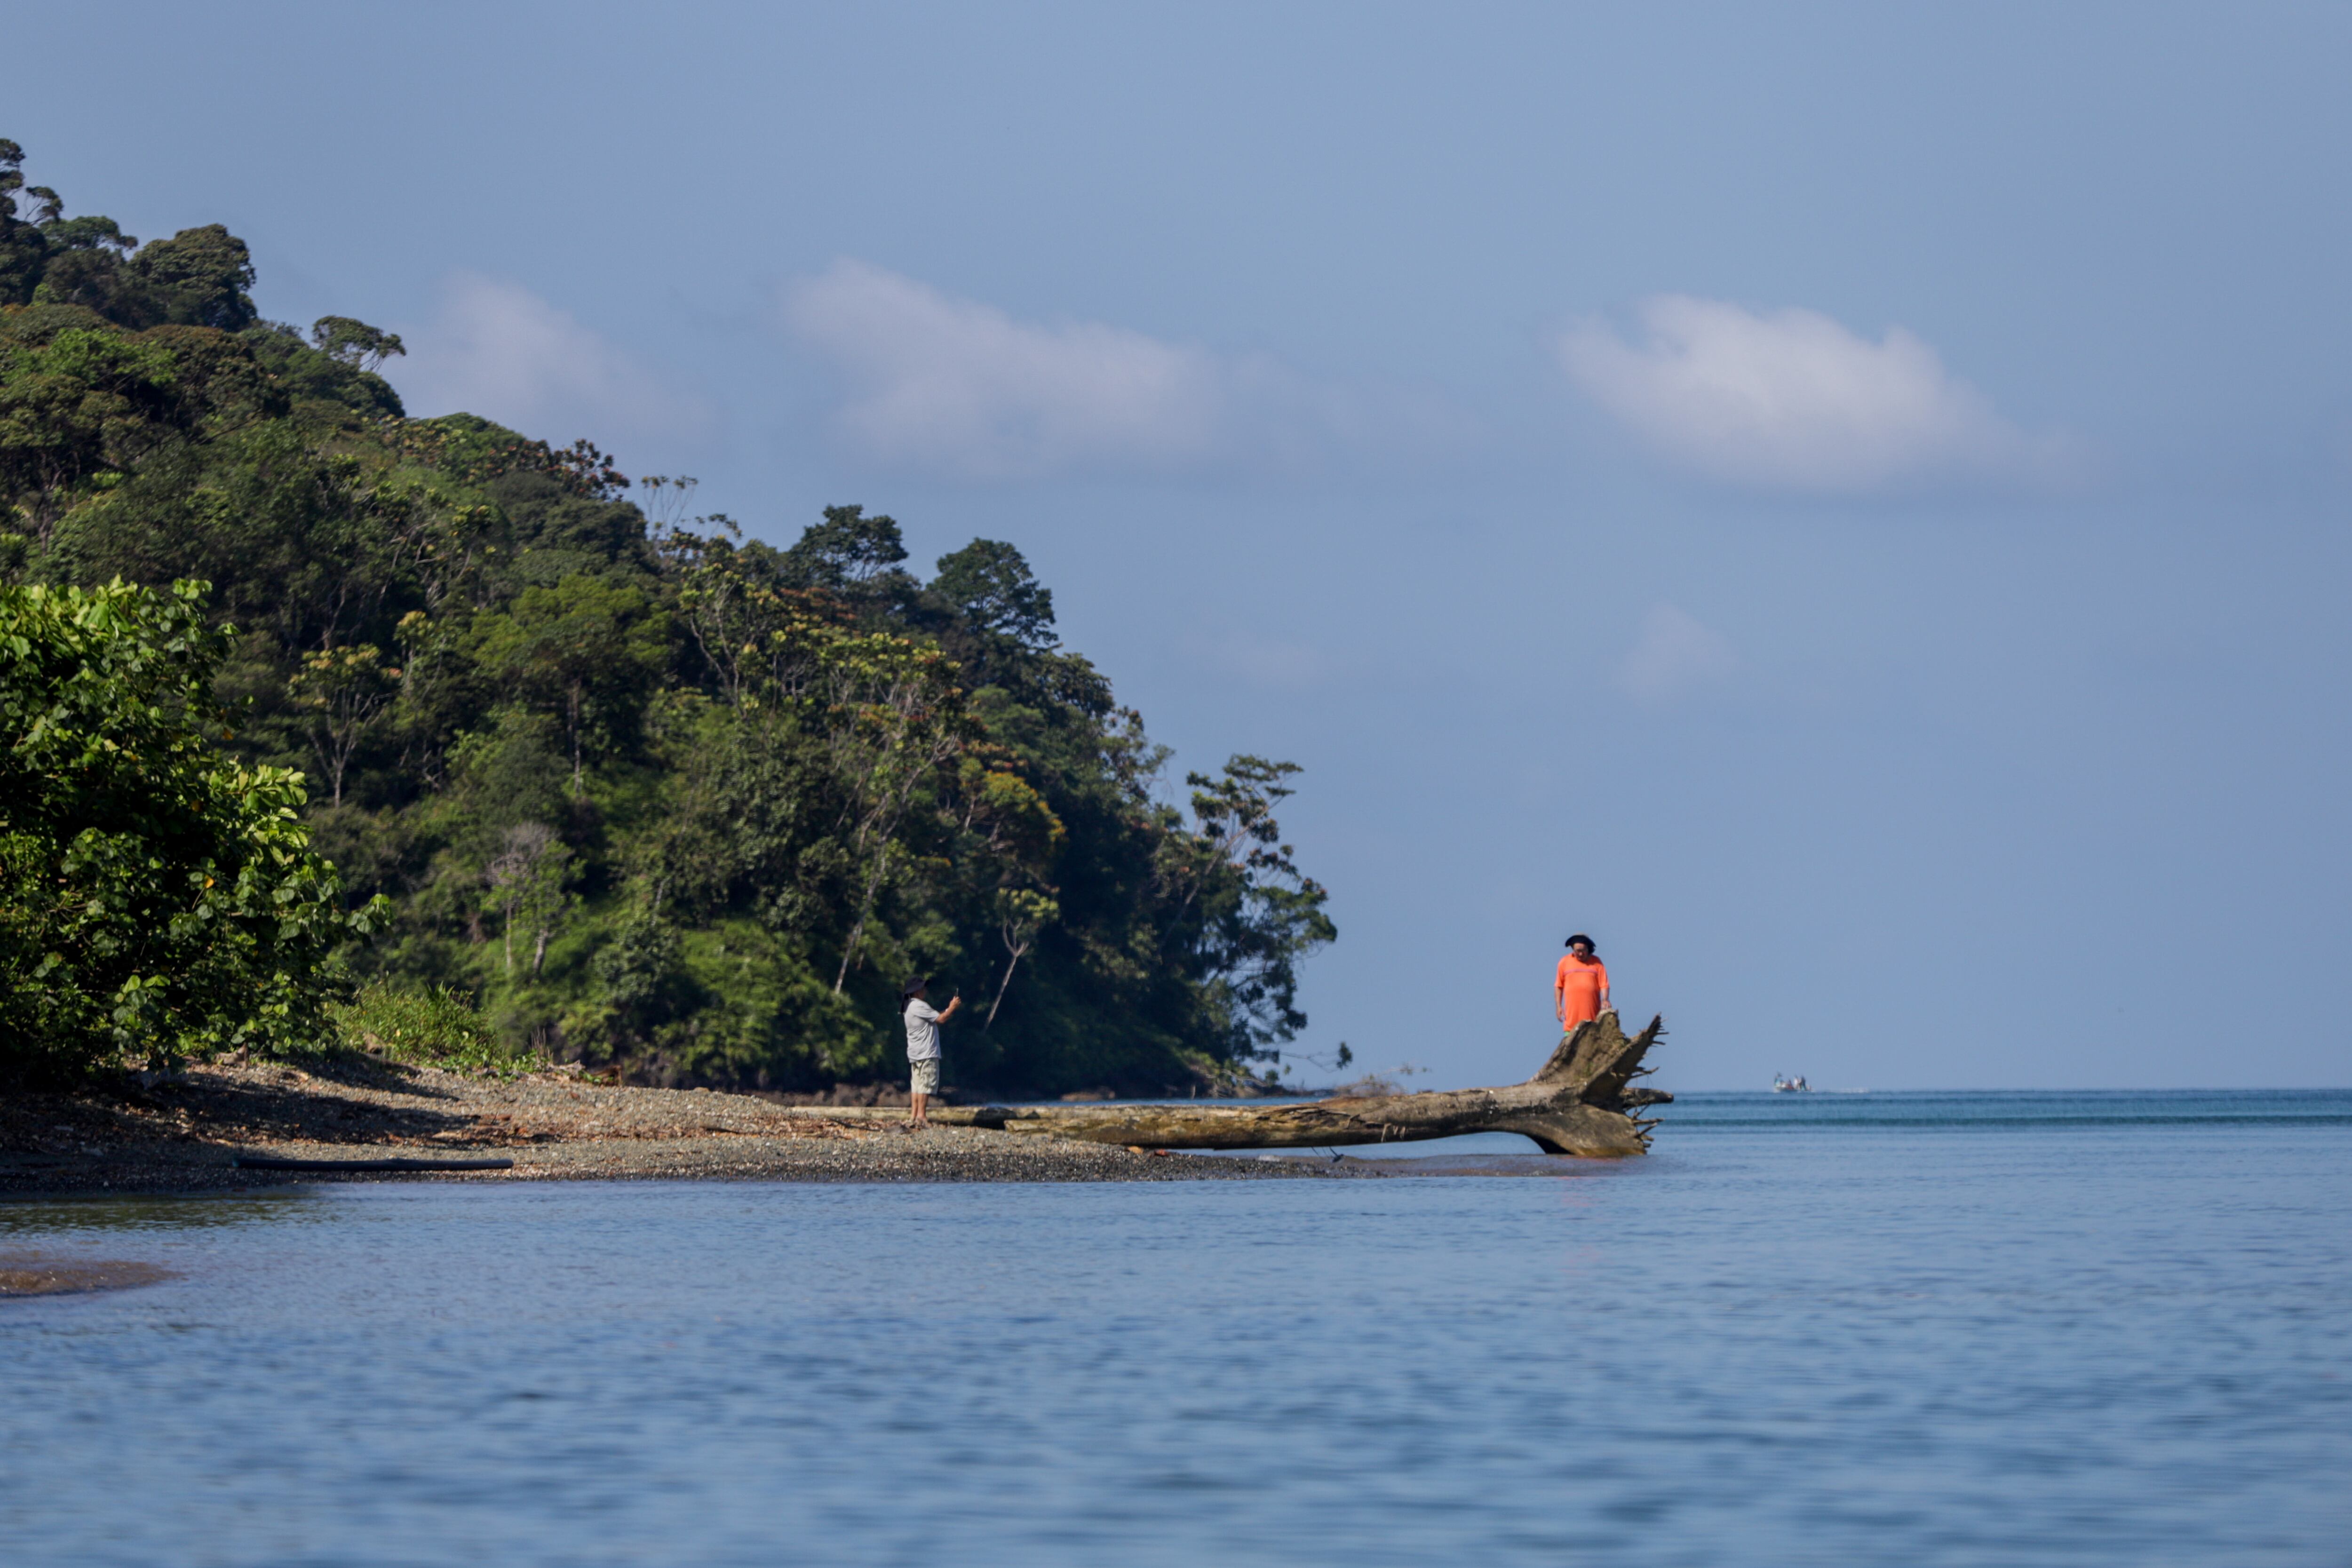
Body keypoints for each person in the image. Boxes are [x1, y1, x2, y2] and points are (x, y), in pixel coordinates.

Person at [901, 976, 960, 1129]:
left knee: (916, 1085)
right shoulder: (919, 1006)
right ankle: (922, 1116)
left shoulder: (908, 1007)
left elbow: (935, 1018)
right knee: (925, 1085)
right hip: (926, 1052)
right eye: (922, 988)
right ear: (916, 992)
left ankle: (914, 1116)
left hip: (915, 1053)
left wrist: (948, 1010)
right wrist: (952, 1007)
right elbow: (941, 1019)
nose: (925, 991)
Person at [1554, 934, 1612, 1032]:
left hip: (1592, 1020)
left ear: (1588, 949)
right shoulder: (1564, 962)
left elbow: (1604, 984)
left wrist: (1605, 1000)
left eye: (1583, 951)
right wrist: (1559, 1007)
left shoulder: (1596, 962)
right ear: (1573, 949)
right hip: (1571, 1022)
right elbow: (1559, 986)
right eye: (1578, 951)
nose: (1581, 954)